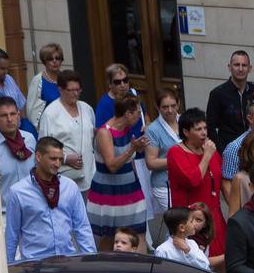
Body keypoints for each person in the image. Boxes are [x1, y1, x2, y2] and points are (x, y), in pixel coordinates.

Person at [5, 136, 95, 262]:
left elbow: (82, 227)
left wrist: (91, 261)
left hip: (67, 262)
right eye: (53, 159)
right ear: (38, 157)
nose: (57, 164)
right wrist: (8, 269)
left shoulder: (70, 187)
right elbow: (11, 236)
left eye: (60, 159)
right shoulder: (18, 192)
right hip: (35, 266)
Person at [86, 95, 152, 250]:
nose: (139, 116)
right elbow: (112, 165)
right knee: (111, 237)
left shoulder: (127, 130)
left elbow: (129, 160)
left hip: (131, 188)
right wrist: (132, 149)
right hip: (109, 191)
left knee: (138, 231)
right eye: (138, 112)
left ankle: (140, 270)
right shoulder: (104, 132)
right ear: (128, 114)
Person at [166, 108, 224, 252]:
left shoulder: (211, 151)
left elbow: (221, 181)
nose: (204, 132)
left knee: (222, 258)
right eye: (198, 129)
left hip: (214, 216)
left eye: (205, 128)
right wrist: (206, 157)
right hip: (190, 220)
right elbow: (193, 180)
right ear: (186, 132)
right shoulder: (176, 152)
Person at [39, 70, 96, 189]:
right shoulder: (50, 114)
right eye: (71, 90)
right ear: (60, 90)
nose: (75, 94)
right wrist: (64, 158)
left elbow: (92, 139)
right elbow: (43, 147)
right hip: (64, 179)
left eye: (78, 90)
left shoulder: (87, 109)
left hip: (90, 177)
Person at [141, 89, 182, 246]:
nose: (170, 110)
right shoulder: (153, 129)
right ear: (157, 107)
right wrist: (178, 159)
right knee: (179, 221)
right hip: (164, 184)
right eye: (165, 107)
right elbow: (151, 162)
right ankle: (169, 254)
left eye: (173, 105)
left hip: (185, 180)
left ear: (178, 104)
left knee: (179, 223)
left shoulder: (185, 121)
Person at [204, 50, 254, 152]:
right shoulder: (218, 94)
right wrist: (221, 151)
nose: (240, 69)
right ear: (229, 67)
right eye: (236, 65)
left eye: (244, 65)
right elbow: (210, 127)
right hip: (229, 149)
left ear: (250, 68)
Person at [0, 96, 36, 200]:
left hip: (31, 208)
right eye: (3, 115)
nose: (9, 119)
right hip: (4, 212)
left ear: (18, 115)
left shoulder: (29, 139)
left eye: (12, 114)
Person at [25, 42, 65, 129]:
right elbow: (30, 110)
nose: (54, 61)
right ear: (44, 61)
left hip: (66, 124)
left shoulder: (66, 78)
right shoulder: (37, 80)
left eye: (58, 58)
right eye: (50, 59)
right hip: (47, 127)